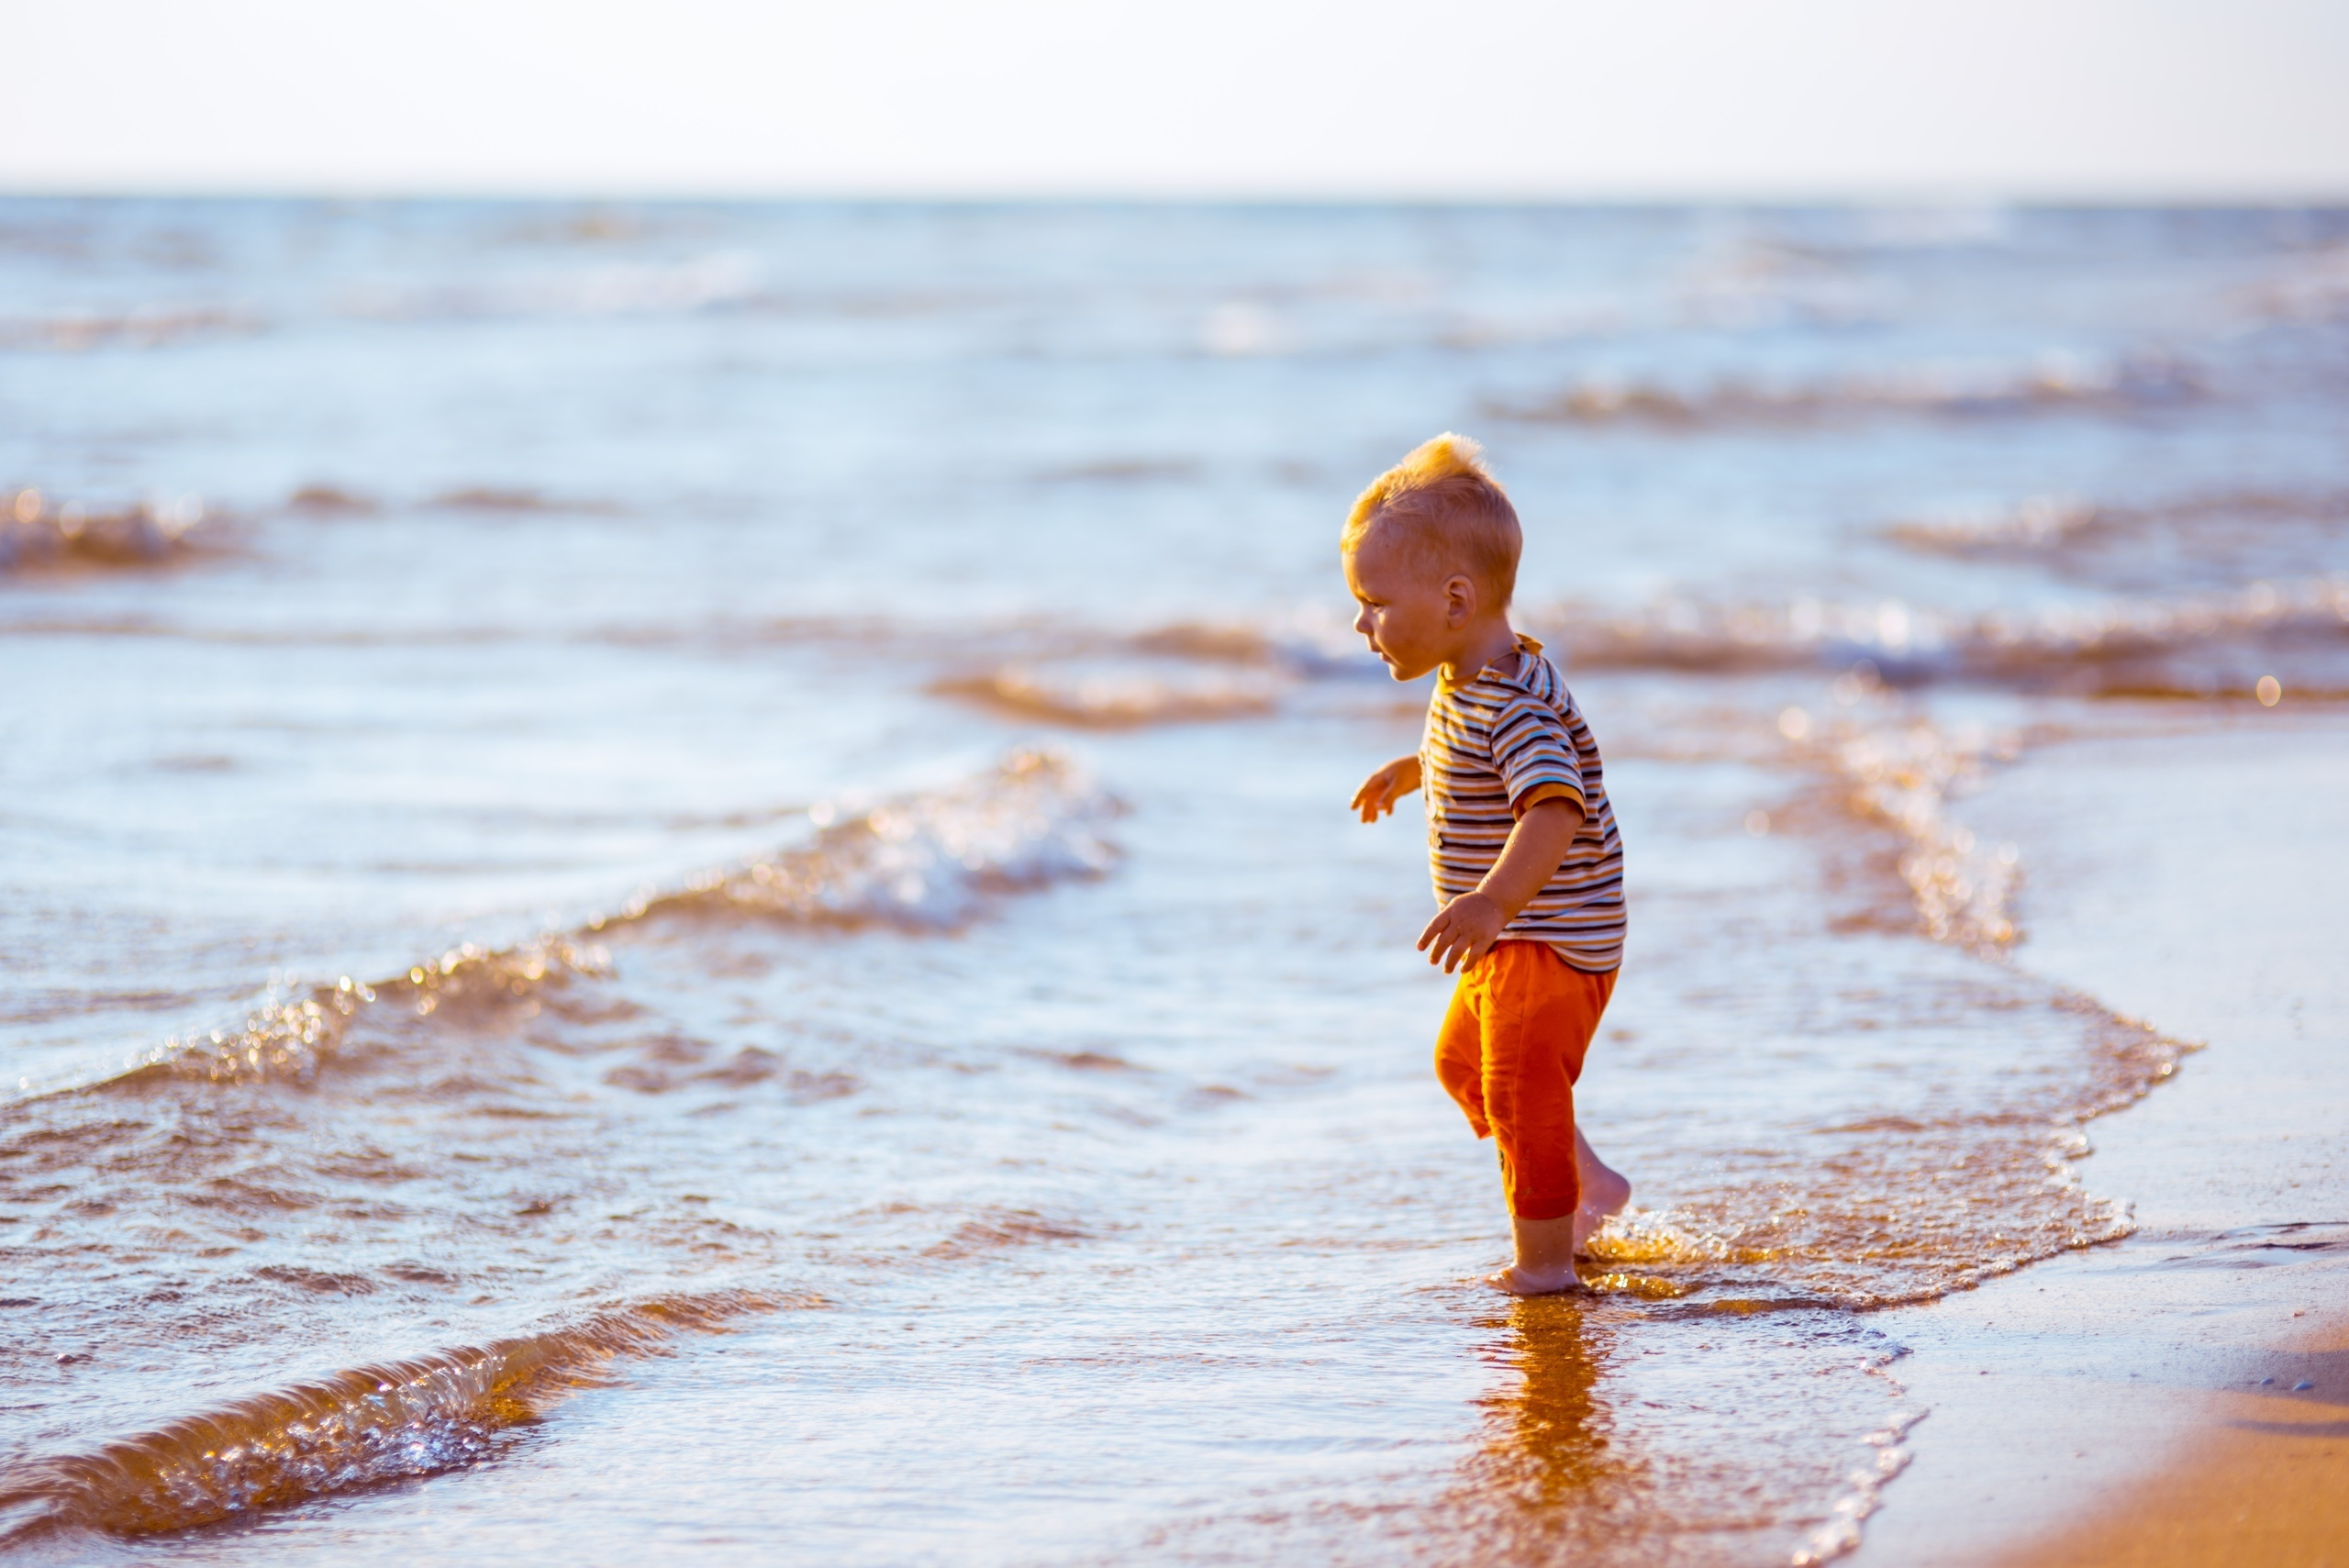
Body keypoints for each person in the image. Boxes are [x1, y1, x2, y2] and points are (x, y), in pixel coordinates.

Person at [1343, 433, 1631, 1296]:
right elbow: (1477, 754)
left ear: (1456, 599)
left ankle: (1546, 1264)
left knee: (1518, 1088)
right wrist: (1417, 768)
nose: (1361, 625)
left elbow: (1552, 803)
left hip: (1545, 936)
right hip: (1517, 935)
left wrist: (1492, 902)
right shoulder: (1469, 682)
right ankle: (1589, 1186)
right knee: (1463, 1065)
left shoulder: (1510, 698)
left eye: (1373, 603)